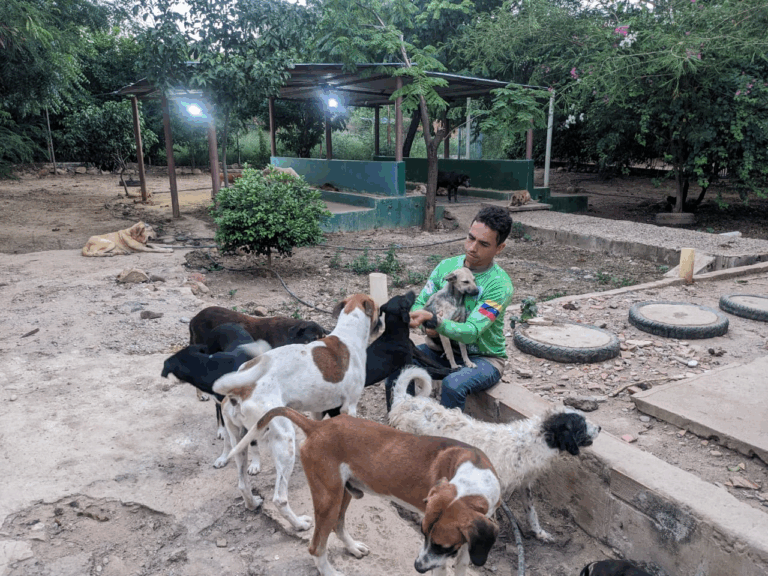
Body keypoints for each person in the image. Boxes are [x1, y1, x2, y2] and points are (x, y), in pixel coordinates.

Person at [386, 205, 514, 411]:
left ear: (499, 248)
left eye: (483, 243)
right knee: (397, 364)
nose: (472, 248)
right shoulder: (446, 267)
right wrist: (423, 324)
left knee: (453, 386)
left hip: (484, 358)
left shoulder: (499, 285)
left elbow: (472, 332)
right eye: (470, 238)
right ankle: (400, 428)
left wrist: (435, 322)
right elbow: (421, 303)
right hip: (441, 349)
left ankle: (449, 441)